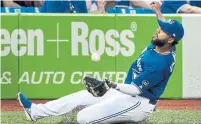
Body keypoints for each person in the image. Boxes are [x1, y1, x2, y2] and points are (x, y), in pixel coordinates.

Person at [17, 2, 184, 123]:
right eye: (159, 28)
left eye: (161, 31)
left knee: (83, 119)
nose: (157, 31)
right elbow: (165, 28)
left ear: (170, 39)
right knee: (79, 97)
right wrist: (158, 12)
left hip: (138, 103)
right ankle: (35, 111)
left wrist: (112, 84)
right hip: (126, 95)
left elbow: (134, 88)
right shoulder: (162, 45)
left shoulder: (161, 63)